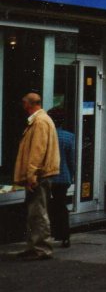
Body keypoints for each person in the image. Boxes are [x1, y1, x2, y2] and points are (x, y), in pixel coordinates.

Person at [13, 93, 60, 261]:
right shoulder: (42, 120)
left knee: (38, 212)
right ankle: (34, 247)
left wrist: (31, 174)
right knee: (35, 212)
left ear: (27, 104)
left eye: (23, 102)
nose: (22, 105)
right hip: (41, 174)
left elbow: (37, 151)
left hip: (39, 175)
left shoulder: (39, 122)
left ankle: (41, 249)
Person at [48, 107, 75, 248]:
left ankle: (50, 234)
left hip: (48, 177)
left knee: (47, 206)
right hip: (63, 176)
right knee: (61, 206)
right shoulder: (69, 137)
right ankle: (64, 236)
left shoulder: (46, 136)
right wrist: (72, 174)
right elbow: (71, 159)